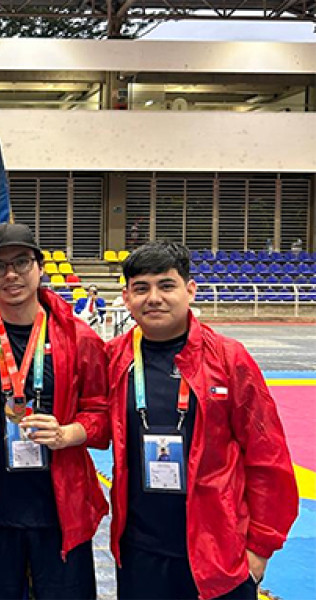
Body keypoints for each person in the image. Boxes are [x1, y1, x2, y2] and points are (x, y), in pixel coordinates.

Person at [105, 241, 298, 600]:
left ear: (189, 290)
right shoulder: (114, 358)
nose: (154, 298)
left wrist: (260, 548)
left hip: (219, 551)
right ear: (126, 298)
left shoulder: (229, 359)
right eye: (141, 288)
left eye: (166, 285)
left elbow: (268, 458)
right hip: (140, 551)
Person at [0, 222, 108, 599]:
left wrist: (69, 433)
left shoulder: (79, 337)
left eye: (22, 262)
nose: (11, 274)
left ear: (40, 267)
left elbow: (104, 416)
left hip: (62, 510)